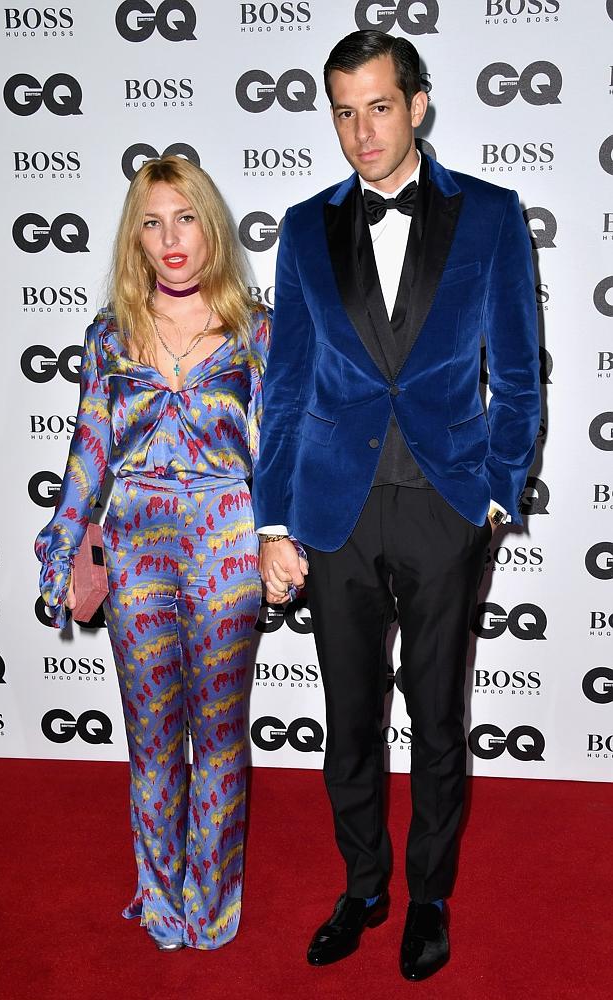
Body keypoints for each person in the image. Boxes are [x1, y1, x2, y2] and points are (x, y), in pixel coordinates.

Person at [253, 30, 539, 981]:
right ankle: (364, 885)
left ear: (417, 105)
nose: (361, 130)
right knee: (350, 717)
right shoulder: (303, 226)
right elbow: (286, 384)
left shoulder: (492, 216)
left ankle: (427, 895)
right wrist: (272, 520)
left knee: (439, 716)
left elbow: (521, 377)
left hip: (445, 505)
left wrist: (495, 495)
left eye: (378, 106)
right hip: (332, 510)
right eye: (342, 110)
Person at [36, 156, 270, 951]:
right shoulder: (109, 334)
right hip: (133, 551)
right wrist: (62, 546)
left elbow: (275, 452)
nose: (170, 238)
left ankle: (213, 904)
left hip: (228, 549)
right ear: (135, 236)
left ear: (211, 224)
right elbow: (88, 452)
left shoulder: (256, 330)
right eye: (151, 220)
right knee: (151, 738)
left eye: (185, 217)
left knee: (219, 732)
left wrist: (281, 540)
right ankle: (162, 900)